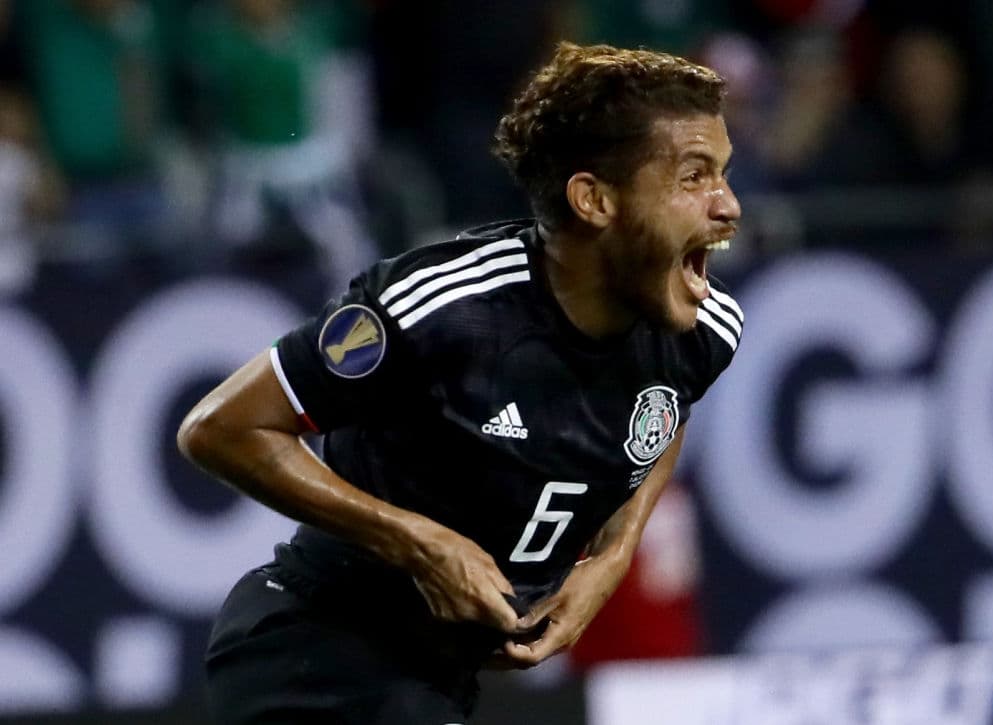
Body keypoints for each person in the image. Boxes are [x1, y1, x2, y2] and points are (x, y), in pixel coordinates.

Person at [178, 41, 743, 724]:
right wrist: (419, 541)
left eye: (724, 174)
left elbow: (665, 410)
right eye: (694, 177)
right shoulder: (445, 306)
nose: (729, 206)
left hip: (436, 678)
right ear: (594, 199)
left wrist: (612, 554)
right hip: (313, 649)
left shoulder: (705, 330)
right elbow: (220, 427)